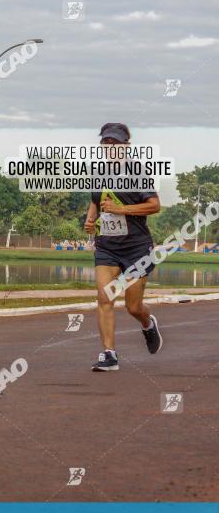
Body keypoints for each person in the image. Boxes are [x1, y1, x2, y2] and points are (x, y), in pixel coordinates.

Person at [83, 123, 162, 372]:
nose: (110, 147)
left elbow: (154, 205)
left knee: (133, 306)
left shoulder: (138, 172)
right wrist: (90, 219)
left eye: (115, 143)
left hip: (136, 248)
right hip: (107, 246)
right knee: (104, 297)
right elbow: (96, 201)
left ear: (126, 146)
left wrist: (122, 209)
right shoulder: (98, 173)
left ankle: (148, 324)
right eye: (105, 143)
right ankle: (109, 355)